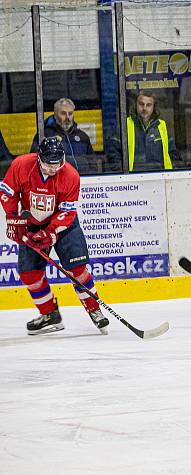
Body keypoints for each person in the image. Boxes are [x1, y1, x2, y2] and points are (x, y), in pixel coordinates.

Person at [1, 137, 109, 335]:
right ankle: (50, 315)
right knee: (29, 273)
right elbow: (8, 193)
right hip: (31, 225)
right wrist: (13, 218)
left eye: (57, 163)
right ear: (39, 158)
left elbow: (67, 212)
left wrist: (50, 232)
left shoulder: (71, 176)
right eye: (48, 163)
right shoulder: (21, 165)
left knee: (76, 268)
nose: (53, 168)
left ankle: (95, 310)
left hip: (63, 227)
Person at [108, 91, 180, 172]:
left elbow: (173, 154)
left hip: (159, 178)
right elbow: (113, 153)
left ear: (153, 107)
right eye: (141, 104)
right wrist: (121, 173)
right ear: (136, 105)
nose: (144, 108)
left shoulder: (161, 126)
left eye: (148, 105)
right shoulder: (124, 125)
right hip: (133, 179)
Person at [31, 97, 95, 174]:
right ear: (55, 114)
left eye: (70, 113)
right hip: (58, 182)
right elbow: (35, 162)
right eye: (63, 113)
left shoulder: (82, 136)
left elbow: (92, 163)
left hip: (84, 180)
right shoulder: (45, 136)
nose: (67, 117)